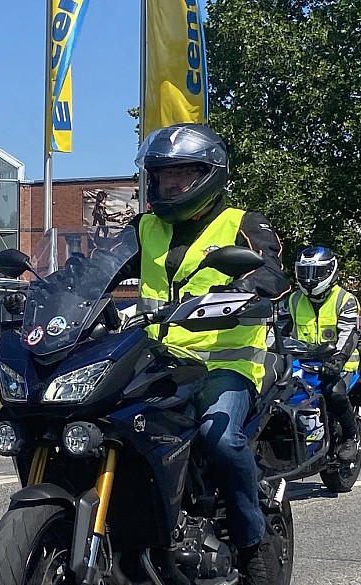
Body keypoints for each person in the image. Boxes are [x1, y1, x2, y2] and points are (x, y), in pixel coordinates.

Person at [112, 123, 290, 584]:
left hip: (225, 363)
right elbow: (94, 268)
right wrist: (54, 288)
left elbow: (273, 275)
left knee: (220, 439)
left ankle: (252, 546)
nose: (169, 184)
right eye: (162, 176)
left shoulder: (242, 223)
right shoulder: (145, 227)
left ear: (209, 175)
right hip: (157, 361)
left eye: (182, 174)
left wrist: (247, 290)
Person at [276, 247, 361, 460]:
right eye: (305, 272)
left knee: (335, 393)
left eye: (316, 272)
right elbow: (278, 332)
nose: (309, 279)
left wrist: (339, 359)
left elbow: (349, 334)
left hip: (339, 365)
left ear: (330, 271)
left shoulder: (345, 299)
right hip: (299, 364)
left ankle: (351, 437)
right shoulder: (292, 300)